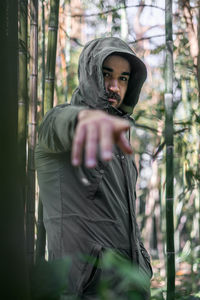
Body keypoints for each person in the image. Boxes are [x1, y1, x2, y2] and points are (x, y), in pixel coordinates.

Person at [35, 37, 153, 299]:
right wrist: (82, 118)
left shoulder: (121, 143)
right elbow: (59, 126)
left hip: (129, 286)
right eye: (106, 74)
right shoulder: (59, 120)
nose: (114, 86)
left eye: (123, 78)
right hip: (85, 289)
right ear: (90, 74)